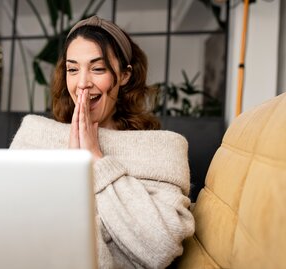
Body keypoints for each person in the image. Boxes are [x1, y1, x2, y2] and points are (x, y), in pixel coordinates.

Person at [10, 15, 195, 269]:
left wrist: (96, 161)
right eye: (73, 69)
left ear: (124, 75)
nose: (83, 83)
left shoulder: (162, 149)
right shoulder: (35, 134)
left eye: (98, 68)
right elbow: (6, 224)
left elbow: (161, 247)